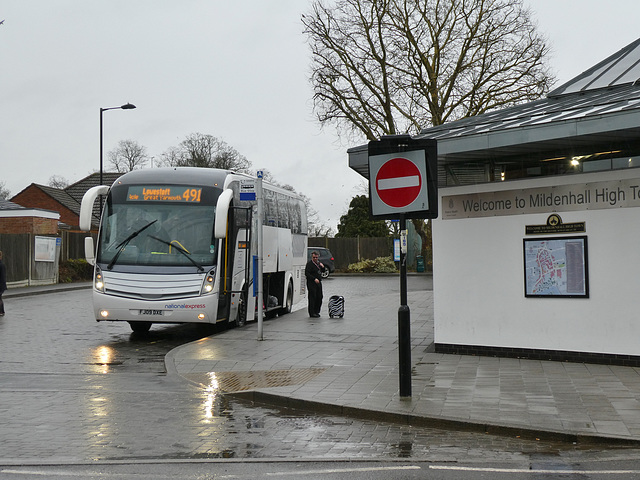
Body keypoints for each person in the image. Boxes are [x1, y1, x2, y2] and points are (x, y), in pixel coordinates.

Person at [305, 250, 325, 318]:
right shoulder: (309, 264)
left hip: (318, 282)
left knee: (319, 297)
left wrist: (323, 267)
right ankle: (312, 312)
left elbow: (323, 271)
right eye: (314, 257)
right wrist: (314, 279)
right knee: (312, 297)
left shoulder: (319, 263)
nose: (315, 259)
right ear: (312, 257)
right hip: (311, 283)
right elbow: (307, 273)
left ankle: (317, 311)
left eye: (316, 257)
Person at [0, 251, 6, 316]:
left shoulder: (1, 265)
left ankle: (1, 311)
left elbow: (3, 277)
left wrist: (2, 286)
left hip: (1, 285)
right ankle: (2, 311)